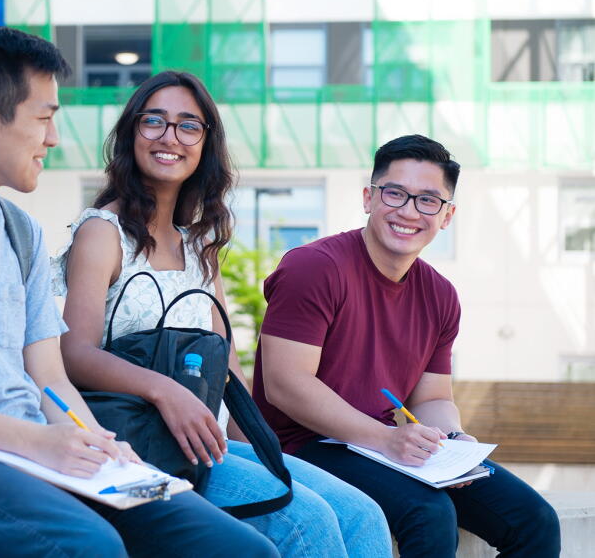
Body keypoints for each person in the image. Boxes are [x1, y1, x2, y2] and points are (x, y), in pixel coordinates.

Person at [0, 27, 280, 557]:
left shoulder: (21, 232)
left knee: (240, 549)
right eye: (44, 117)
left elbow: (50, 376)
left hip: (39, 447)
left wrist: (100, 444)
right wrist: (40, 441)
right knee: (93, 545)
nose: (54, 137)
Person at [53, 70, 391, 558]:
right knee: (306, 522)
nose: (171, 137)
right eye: (155, 122)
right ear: (131, 133)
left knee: (362, 513)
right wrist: (164, 390)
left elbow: (227, 374)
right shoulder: (103, 233)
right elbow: (74, 352)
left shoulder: (198, 247)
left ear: (205, 143)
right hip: (135, 445)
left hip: (204, 444)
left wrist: (258, 449)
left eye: (189, 125)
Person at [253, 134, 561, 557]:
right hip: (300, 445)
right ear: (368, 197)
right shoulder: (313, 268)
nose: (409, 211)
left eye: (428, 200)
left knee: (535, 520)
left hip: (380, 446)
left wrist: (451, 439)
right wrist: (383, 438)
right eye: (395, 193)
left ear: (447, 215)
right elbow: (285, 384)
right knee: (428, 512)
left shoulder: (440, 295)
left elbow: (432, 396)